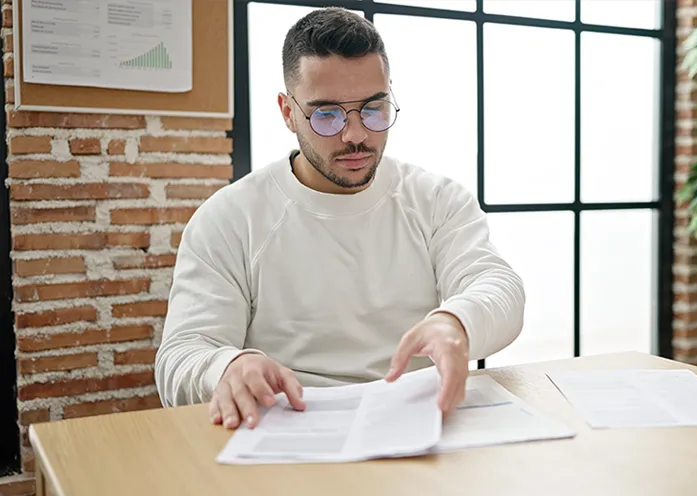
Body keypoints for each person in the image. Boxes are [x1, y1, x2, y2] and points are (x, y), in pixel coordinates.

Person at [154, 7, 525, 430]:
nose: (355, 135)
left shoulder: (436, 200)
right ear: (288, 111)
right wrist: (224, 366)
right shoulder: (229, 218)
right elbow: (181, 355)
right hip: (288, 428)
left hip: (417, 425)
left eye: (373, 109)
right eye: (326, 114)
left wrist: (454, 322)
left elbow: (500, 288)